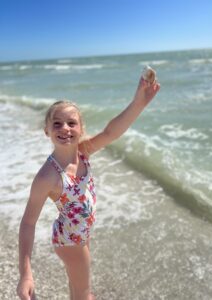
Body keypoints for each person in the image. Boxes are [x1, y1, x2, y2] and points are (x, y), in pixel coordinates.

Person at [16, 73, 160, 300]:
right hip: (70, 241)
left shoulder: (82, 153)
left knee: (77, 288)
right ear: (47, 131)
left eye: (72, 123)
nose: (65, 128)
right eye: (57, 123)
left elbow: (111, 132)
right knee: (85, 295)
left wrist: (138, 103)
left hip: (79, 234)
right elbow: (28, 223)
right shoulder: (48, 176)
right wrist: (26, 273)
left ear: (81, 128)